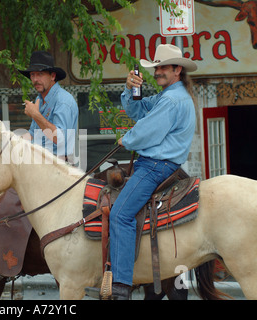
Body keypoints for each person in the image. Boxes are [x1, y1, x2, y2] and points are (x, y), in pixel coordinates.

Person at [109, 44, 198, 299]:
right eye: (156, 67)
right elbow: (137, 111)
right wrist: (130, 89)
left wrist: (126, 140)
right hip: (166, 165)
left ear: (177, 69)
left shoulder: (170, 99)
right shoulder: (169, 95)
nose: (157, 72)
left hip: (155, 167)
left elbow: (146, 130)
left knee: (120, 215)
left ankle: (121, 285)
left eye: (162, 67)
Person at [18, 51, 78, 163]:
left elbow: (60, 139)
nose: (35, 79)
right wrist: (12, 142)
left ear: (53, 76)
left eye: (40, 74)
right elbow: (32, 134)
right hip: (40, 163)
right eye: (32, 75)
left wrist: (36, 115)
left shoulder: (63, 101)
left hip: (59, 166)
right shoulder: (39, 99)